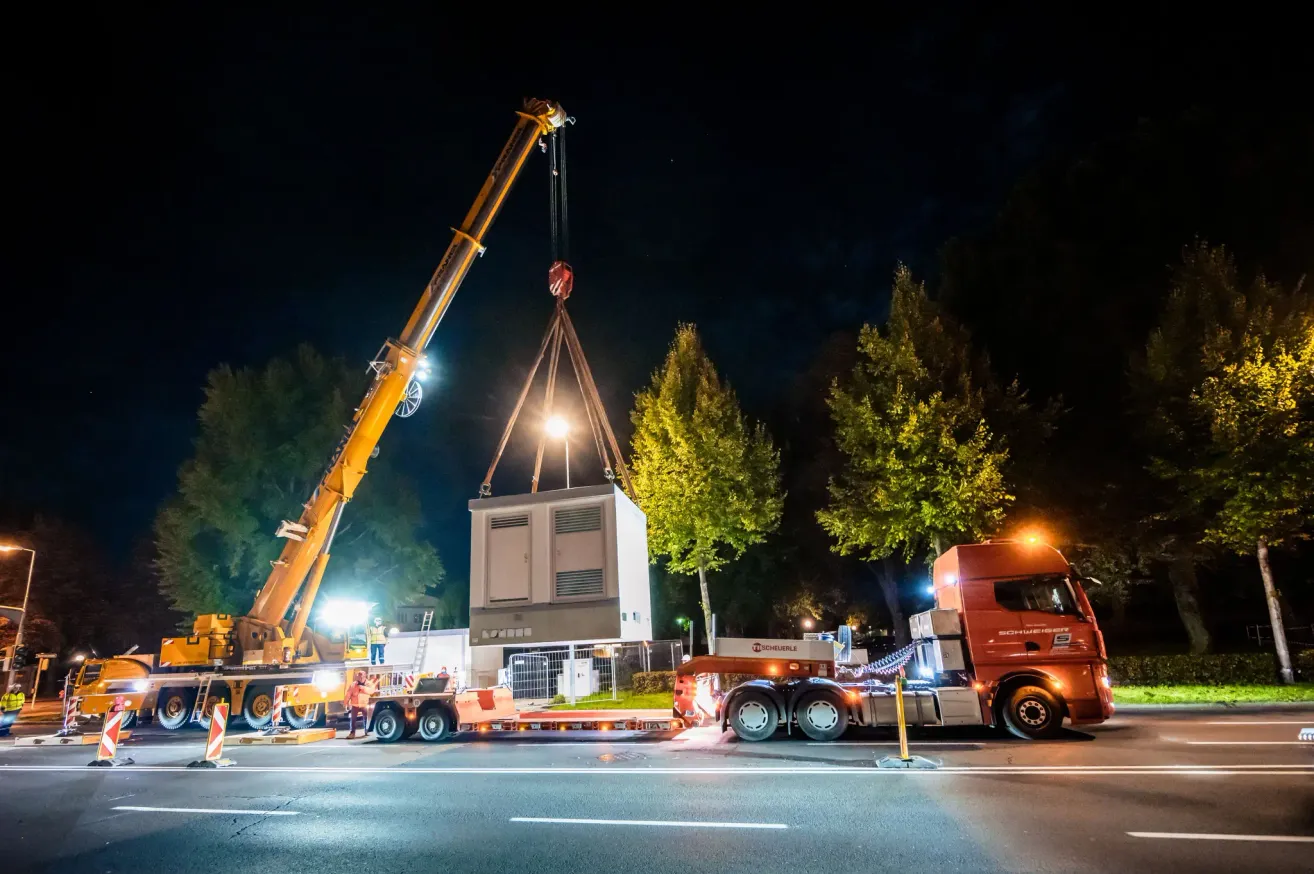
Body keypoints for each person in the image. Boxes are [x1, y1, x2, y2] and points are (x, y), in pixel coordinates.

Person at [345, 669, 373, 740]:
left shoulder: (369, 684)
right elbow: (348, 694)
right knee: (353, 719)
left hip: (365, 704)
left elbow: (372, 691)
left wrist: (363, 688)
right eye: (359, 676)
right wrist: (346, 703)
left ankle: (367, 731)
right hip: (355, 705)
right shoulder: (353, 684)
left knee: (366, 718)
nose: (360, 678)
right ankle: (352, 733)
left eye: (361, 676)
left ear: (365, 676)